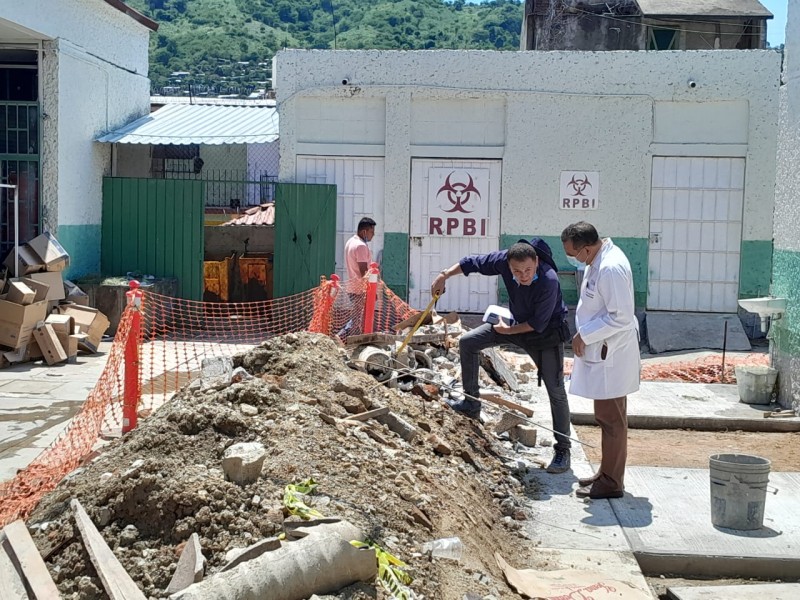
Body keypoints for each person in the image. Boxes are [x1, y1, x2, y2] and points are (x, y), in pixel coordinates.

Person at [430, 238, 573, 474]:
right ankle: (471, 403)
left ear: (536, 262)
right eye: (517, 271)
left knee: (555, 390)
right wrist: (444, 275)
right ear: (508, 265)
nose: (524, 275)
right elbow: (471, 263)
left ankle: (562, 450)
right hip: (515, 323)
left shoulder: (549, 280)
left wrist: (506, 330)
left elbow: (538, 324)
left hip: (545, 334)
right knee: (468, 342)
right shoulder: (503, 261)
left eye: (528, 270)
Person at [561, 221, 640, 499]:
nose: (573, 259)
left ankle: (612, 482)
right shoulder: (598, 260)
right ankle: (607, 473)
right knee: (606, 416)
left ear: (587, 247)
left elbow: (621, 315)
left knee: (612, 419)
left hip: (612, 353)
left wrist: (586, 335)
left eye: (574, 254)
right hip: (603, 349)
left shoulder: (610, 267)